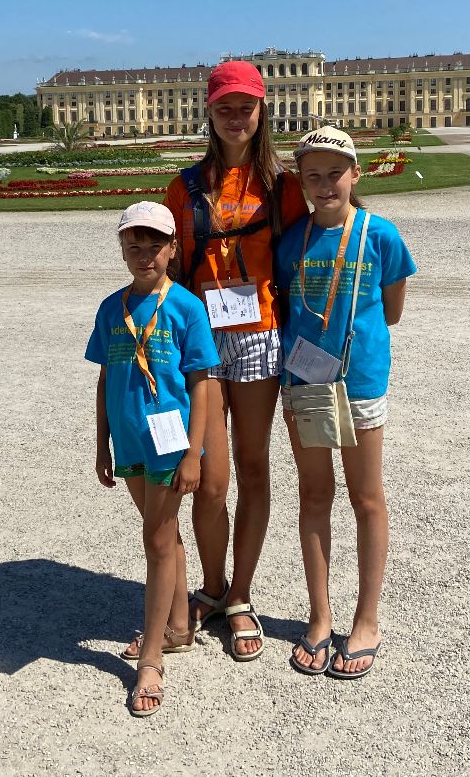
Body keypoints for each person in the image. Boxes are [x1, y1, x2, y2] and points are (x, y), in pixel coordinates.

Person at [162, 60, 307, 661]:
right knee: (211, 480)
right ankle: (213, 586)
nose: (235, 115)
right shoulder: (184, 187)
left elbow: (308, 262)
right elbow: (164, 271)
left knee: (252, 465)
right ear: (209, 109)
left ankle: (239, 595)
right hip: (201, 339)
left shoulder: (284, 187)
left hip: (260, 334)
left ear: (261, 109)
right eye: (224, 105)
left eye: (245, 105)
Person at [273, 126, 415, 679]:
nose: (325, 183)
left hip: (359, 381)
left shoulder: (380, 235)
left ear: (356, 175)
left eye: (335, 173)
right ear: (302, 183)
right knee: (314, 494)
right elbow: (286, 306)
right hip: (305, 380)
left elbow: (393, 309)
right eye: (313, 175)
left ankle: (367, 619)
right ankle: (319, 614)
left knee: (367, 498)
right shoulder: (294, 240)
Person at [87, 202, 218, 716]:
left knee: (156, 541)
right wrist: (101, 443)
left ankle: (153, 658)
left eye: (155, 247)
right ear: (122, 250)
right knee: (163, 533)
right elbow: (104, 379)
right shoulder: (111, 307)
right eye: (133, 247)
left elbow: (203, 383)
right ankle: (180, 625)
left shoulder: (185, 307)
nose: (145, 257)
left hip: (170, 443)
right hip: (131, 441)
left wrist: (193, 452)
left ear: (172, 249)